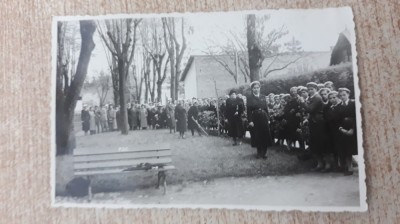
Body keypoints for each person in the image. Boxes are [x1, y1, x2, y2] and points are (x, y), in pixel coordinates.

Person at [299, 82, 325, 171]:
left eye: (312, 89)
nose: (310, 91)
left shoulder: (317, 98)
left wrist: (303, 102)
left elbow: (310, 109)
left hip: (319, 123)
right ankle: (319, 164)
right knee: (314, 143)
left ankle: (325, 164)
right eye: (308, 89)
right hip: (313, 122)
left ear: (316, 89)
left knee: (320, 143)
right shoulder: (311, 98)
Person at [246, 81, 273, 159]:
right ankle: (259, 152)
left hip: (264, 117)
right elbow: (248, 111)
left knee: (265, 134)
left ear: (260, 88)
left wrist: (268, 118)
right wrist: (250, 121)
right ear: (252, 89)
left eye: (258, 88)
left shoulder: (263, 97)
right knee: (257, 135)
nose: (256, 89)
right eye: (254, 88)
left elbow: (266, 109)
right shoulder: (250, 98)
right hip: (255, 118)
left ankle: (264, 153)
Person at [337, 87, 358, 175]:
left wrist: (352, 129)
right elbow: (337, 120)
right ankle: (349, 167)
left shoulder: (353, 103)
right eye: (341, 95)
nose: (342, 97)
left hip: (355, 129)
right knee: (347, 149)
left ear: (348, 94)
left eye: (344, 95)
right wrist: (342, 129)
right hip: (344, 131)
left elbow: (357, 116)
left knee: (358, 147)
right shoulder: (338, 106)